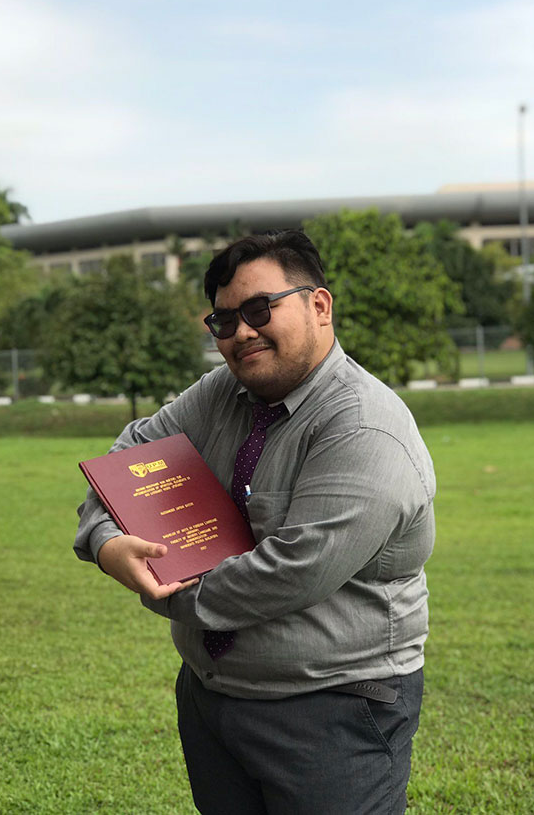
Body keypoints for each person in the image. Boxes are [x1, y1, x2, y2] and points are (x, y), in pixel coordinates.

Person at [74, 230, 436, 815]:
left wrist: (159, 590)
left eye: (259, 309)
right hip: (212, 698)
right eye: (222, 321)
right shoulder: (223, 393)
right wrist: (108, 542)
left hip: (332, 708)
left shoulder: (364, 426)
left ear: (319, 306)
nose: (240, 331)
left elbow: (288, 573)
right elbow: (124, 463)